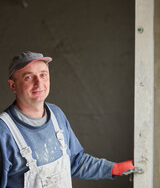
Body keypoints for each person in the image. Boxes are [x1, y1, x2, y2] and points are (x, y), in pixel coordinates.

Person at [0, 51, 143, 188]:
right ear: (13, 85)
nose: (39, 83)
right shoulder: (4, 131)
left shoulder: (56, 115)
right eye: (28, 77)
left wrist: (115, 168)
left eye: (43, 75)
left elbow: (75, 161)